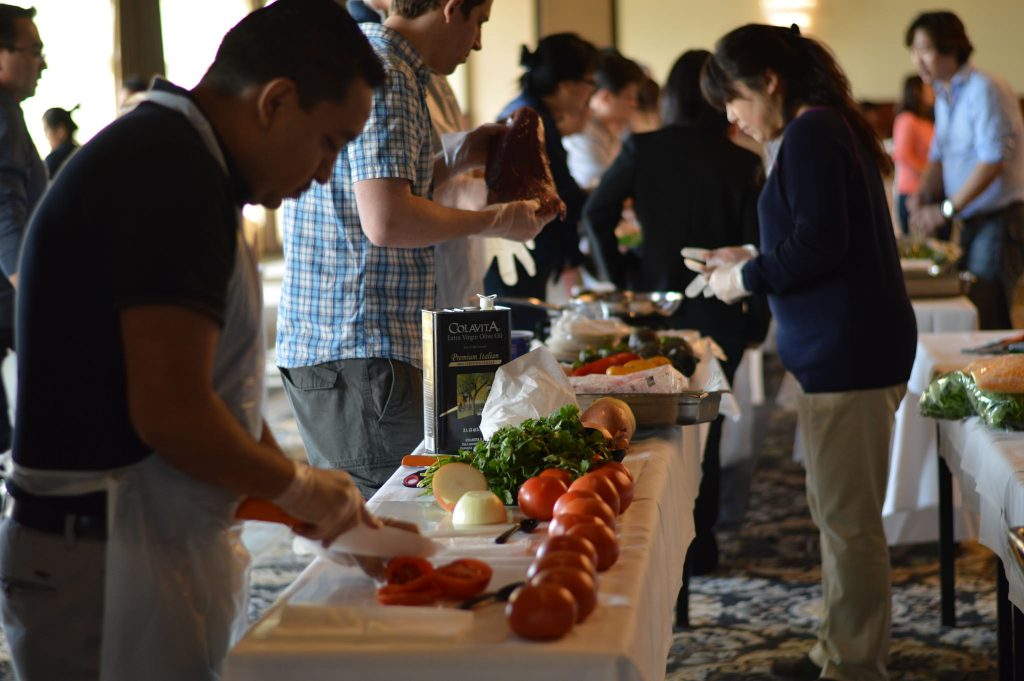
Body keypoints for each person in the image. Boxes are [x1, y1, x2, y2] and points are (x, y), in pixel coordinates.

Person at [2, 2, 387, 679]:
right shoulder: (170, 176)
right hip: (102, 554)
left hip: (129, 538)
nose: (327, 173)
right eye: (330, 142)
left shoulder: (186, 161)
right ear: (276, 101)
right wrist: (297, 485)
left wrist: (307, 496)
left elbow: (213, 393)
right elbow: (173, 412)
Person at [695, 24, 916, 681]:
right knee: (835, 513)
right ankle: (837, 647)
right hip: (841, 348)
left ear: (768, 82)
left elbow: (821, 244)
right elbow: (819, 239)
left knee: (848, 522)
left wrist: (748, 278)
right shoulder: (817, 129)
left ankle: (854, 664)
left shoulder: (813, 131)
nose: (732, 119)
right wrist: (754, 258)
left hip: (848, 351)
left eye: (732, 100)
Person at [276, 0, 551, 500]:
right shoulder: (389, 70)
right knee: (400, 513)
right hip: (362, 347)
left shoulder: (384, 62)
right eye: (479, 22)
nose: (478, 42)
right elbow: (387, 220)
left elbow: (377, 185)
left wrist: (464, 152)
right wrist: (497, 220)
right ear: (450, 9)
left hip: (352, 347)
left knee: (396, 513)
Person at [585, 49, 767, 582]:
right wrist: (756, 320)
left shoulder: (643, 148)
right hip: (721, 311)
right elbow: (758, 248)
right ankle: (701, 540)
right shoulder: (742, 161)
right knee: (705, 432)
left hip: (655, 310)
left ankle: (651, 538)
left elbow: (597, 214)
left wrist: (625, 277)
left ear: (666, 98)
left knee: (647, 433)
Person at [906, 11, 1024, 330]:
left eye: (925, 49)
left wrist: (945, 209)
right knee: (972, 307)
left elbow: (993, 161)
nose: (917, 60)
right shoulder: (945, 94)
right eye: (913, 51)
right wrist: (920, 196)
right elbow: (939, 154)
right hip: (973, 219)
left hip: (1001, 218)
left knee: (988, 309)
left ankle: (998, 379)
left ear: (951, 47)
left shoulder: (984, 88)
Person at [484, 32, 598, 335]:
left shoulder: (529, 110)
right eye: (591, 82)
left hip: (520, 248)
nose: (592, 93)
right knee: (518, 339)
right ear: (568, 86)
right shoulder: (531, 119)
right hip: (518, 251)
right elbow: (559, 193)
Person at [0, 4, 45, 456]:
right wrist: (41, 299)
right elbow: (3, 215)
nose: (42, 64)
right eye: (33, 51)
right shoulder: (3, 109)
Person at [563, 49, 645, 191]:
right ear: (605, 97)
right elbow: (606, 190)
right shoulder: (584, 134)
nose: (634, 104)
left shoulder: (611, 129)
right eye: (630, 97)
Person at [890, 75, 933, 235]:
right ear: (917, 92)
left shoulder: (927, 122)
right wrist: (928, 173)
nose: (933, 92)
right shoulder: (907, 119)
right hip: (911, 191)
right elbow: (902, 154)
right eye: (929, 89)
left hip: (928, 191)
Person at [41, 104, 78, 177]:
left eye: (46, 131)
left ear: (60, 131)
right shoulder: (81, 152)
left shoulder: (53, 161)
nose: (46, 136)